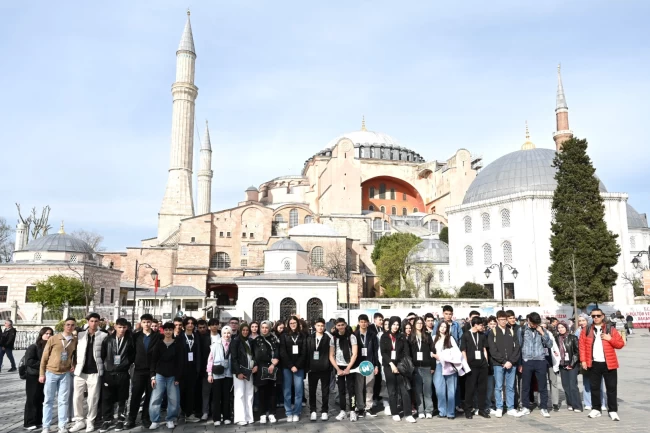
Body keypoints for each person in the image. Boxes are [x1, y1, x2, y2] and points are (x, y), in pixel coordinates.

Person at [579, 308, 625, 421]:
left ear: (603, 316)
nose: (596, 318)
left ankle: (612, 410)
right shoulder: (586, 329)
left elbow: (620, 344)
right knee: (594, 388)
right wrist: (583, 361)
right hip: (593, 363)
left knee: (611, 388)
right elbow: (582, 346)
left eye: (598, 315)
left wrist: (610, 339)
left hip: (609, 363)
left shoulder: (610, 329)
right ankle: (596, 409)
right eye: (593, 316)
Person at [69, 313, 106, 433]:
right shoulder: (80, 335)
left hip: (95, 371)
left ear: (99, 322)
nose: (93, 323)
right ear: (88, 322)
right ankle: (79, 421)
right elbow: (72, 350)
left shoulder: (104, 335)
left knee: (93, 399)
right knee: (77, 397)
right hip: (80, 371)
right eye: (91, 321)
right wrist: (72, 363)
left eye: (96, 321)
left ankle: (90, 421)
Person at [40, 317, 78, 433]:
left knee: (63, 401)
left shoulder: (74, 340)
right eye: (68, 324)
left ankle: (62, 426)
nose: (70, 327)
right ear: (64, 325)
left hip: (65, 374)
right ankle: (46, 426)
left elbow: (75, 355)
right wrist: (41, 373)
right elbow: (44, 356)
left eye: (72, 325)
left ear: (74, 326)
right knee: (48, 400)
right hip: (51, 372)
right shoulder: (54, 338)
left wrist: (74, 364)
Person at [99, 317, 135, 432]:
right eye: (120, 327)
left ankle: (120, 419)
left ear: (127, 327)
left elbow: (132, 355)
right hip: (109, 372)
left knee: (122, 397)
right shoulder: (107, 339)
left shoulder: (130, 340)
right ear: (115, 327)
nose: (122, 329)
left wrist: (126, 364)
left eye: (124, 327)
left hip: (123, 372)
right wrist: (108, 366)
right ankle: (107, 420)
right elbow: (103, 355)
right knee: (107, 397)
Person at [126, 314, 160, 429]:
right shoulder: (136, 336)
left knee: (150, 395)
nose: (146, 324)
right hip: (139, 370)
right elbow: (131, 351)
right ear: (141, 323)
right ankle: (131, 419)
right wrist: (132, 362)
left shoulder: (157, 336)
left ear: (152, 323)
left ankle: (145, 418)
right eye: (144, 322)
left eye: (148, 322)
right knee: (136, 395)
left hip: (152, 370)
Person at [380, 316, 416, 423]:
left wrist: (401, 365)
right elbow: (383, 353)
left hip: (401, 366)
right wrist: (391, 364)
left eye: (397, 324)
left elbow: (406, 352)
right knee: (392, 391)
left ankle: (408, 414)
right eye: (394, 324)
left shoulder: (402, 337)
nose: (395, 326)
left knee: (405, 390)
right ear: (390, 324)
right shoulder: (384, 336)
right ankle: (395, 413)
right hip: (389, 366)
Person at [518, 312, 553, 418]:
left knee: (543, 385)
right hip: (527, 360)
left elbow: (549, 344)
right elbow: (519, 347)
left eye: (536, 323)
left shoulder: (542, 330)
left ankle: (544, 407)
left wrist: (542, 333)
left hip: (540, 360)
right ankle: (525, 407)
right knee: (526, 386)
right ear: (528, 320)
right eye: (533, 323)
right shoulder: (522, 330)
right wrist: (520, 363)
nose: (534, 325)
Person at [149, 322, 183, 429]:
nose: (168, 332)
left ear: (173, 331)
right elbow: (153, 361)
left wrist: (178, 377)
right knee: (156, 398)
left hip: (173, 375)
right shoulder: (158, 344)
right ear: (163, 331)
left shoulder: (177, 344)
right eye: (166, 330)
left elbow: (180, 362)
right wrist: (152, 376)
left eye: (170, 330)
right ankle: (155, 420)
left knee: (173, 399)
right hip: (159, 375)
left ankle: (170, 419)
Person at [488, 310, 521, 418]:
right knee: (498, 386)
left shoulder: (511, 331)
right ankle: (499, 407)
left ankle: (511, 407)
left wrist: (511, 361)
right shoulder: (493, 332)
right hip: (498, 364)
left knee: (511, 386)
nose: (503, 321)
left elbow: (517, 348)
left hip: (511, 364)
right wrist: (503, 361)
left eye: (504, 319)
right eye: (501, 319)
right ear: (497, 320)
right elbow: (493, 350)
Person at [460, 316, 490, 419]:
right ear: (475, 325)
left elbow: (484, 349)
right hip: (471, 365)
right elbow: (463, 350)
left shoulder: (482, 335)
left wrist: (486, 362)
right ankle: (468, 410)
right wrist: (466, 364)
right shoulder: (466, 335)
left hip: (482, 365)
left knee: (482, 388)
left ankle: (481, 409)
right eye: (481, 325)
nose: (483, 327)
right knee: (470, 388)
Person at [330, 317, 359, 421]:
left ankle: (352, 411)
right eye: (338, 325)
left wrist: (348, 368)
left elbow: (355, 354)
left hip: (350, 366)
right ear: (336, 326)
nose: (341, 327)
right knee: (341, 389)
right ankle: (342, 410)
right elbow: (331, 355)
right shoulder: (333, 338)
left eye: (342, 325)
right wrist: (337, 369)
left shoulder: (351, 337)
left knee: (351, 389)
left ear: (345, 325)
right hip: (339, 366)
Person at [24, 327, 53, 430]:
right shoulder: (34, 347)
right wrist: (43, 364)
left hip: (46, 375)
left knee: (41, 398)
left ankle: (38, 420)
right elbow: (29, 361)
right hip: (34, 375)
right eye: (46, 333)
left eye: (50, 334)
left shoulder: (51, 347)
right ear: (41, 335)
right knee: (32, 398)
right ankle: (29, 422)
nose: (48, 335)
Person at [279, 316, 307, 422]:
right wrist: (291, 365)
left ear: (297, 323)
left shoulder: (302, 335)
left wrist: (297, 366)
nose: (293, 325)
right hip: (287, 367)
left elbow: (304, 352)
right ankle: (288, 412)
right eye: (291, 323)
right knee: (287, 391)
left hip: (299, 367)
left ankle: (297, 412)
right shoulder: (284, 335)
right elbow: (283, 352)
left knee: (298, 390)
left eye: (294, 322)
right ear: (288, 324)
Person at [352, 314, 378, 419]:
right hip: (358, 365)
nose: (363, 324)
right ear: (359, 323)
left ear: (368, 323)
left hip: (370, 364)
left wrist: (376, 365)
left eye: (365, 322)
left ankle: (368, 407)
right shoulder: (354, 335)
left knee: (369, 386)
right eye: (361, 322)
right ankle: (360, 407)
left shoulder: (372, 335)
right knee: (359, 386)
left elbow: (376, 351)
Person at [253, 320, 279, 424]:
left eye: (266, 327)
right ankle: (262, 414)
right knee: (262, 392)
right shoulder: (257, 340)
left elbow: (277, 352)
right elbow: (257, 355)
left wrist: (273, 363)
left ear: (269, 328)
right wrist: (269, 361)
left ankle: (272, 413)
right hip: (261, 368)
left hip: (273, 367)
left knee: (272, 391)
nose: (264, 329)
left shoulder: (274, 338)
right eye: (262, 327)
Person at [176, 316, 201, 423]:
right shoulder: (180, 337)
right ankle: (181, 413)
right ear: (184, 325)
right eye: (188, 323)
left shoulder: (197, 336)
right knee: (181, 391)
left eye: (192, 323)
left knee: (191, 392)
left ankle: (189, 414)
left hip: (193, 369)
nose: (190, 325)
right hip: (182, 369)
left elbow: (199, 353)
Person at [409, 316, 434, 419]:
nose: (419, 325)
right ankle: (420, 410)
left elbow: (432, 351)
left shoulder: (427, 336)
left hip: (426, 366)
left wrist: (433, 366)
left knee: (427, 390)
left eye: (421, 323)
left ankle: (429, 410)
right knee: (418, 391)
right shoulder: (410, 337)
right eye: (417, 323)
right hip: (415, 367)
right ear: (414, 324)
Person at [207, 326, 233, 425]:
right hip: (217, 373)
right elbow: (210, 360)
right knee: (216, 397)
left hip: (228, 373)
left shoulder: (233, 344)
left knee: (226, 396)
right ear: (221, 334)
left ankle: (226, 416)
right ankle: (216, 418)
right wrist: (209, 374)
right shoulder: (215, 345)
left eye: (228, 333)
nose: (227, 335)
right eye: (225, 333)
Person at [307, 318, 331, 421]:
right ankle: (313, 411)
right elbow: (307, 352)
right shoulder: (310, 338)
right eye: (318, 325)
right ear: (315, 326)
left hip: (325, 368)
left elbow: (331, 353)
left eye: (322, 326)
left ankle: (324, 411)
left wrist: (329, 366)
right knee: (312, 391)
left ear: (324, 326)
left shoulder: (328, 338)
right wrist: (307, 367)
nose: (320, 327)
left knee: (325, 391)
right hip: (313, 369)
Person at [231, 323, 255, 425]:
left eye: (247, 330)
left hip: (249, 371)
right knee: (239, 394)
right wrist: (238, 372)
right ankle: (240, 418)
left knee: (249, 394)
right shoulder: (236, 341)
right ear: (240, 331)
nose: (245, 332)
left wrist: (255, 365)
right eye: (243, 330)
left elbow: (254, 355)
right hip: (240, 371)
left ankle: (249, 416)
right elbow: (234, 358)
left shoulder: (250, 341)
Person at [555, 322, 581, 412]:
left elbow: (577, 352)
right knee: (565, 385)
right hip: (562, 364)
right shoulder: (556, 338)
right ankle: (570, 403)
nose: (561, 329)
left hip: (572, 364)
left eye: (562, 327)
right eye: (559, 328)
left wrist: (571, 364)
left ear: (566, 327)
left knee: (573, 385)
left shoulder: (573, 338)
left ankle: (577, 406)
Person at [371, 312, 384, 410]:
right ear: (374, 319)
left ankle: (378, 395)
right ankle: (373, 397)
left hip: (381, 356)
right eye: (380, 319)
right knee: (374, 378)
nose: (381, 321)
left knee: (379, 378)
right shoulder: (371, 329)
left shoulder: (381, 329)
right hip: (374, 356)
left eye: (382, 320)